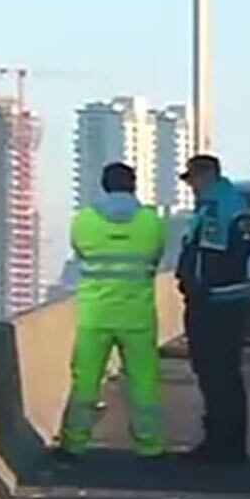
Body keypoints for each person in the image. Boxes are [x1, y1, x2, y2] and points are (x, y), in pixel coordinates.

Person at [58, 163, 168, 459]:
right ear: (134, 185)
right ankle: (149, 445)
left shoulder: (84, 221)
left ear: (104, 185)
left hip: (95, 315)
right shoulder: (151, 222)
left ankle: (74, 442)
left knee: (86, 382)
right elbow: (155, 259)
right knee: (144, 383)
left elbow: (80, 255)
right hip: (137, 316)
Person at [175, 154, 250, 463]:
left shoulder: (225, 207)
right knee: (215, 373)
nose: (191, 187)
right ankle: (221, 441)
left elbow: (228, 254)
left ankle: (225, 444)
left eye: (193, 179)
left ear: (205, 175)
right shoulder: (215, 204)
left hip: (219, 303)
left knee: (219, 373)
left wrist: (205, 286)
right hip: (213, 299)